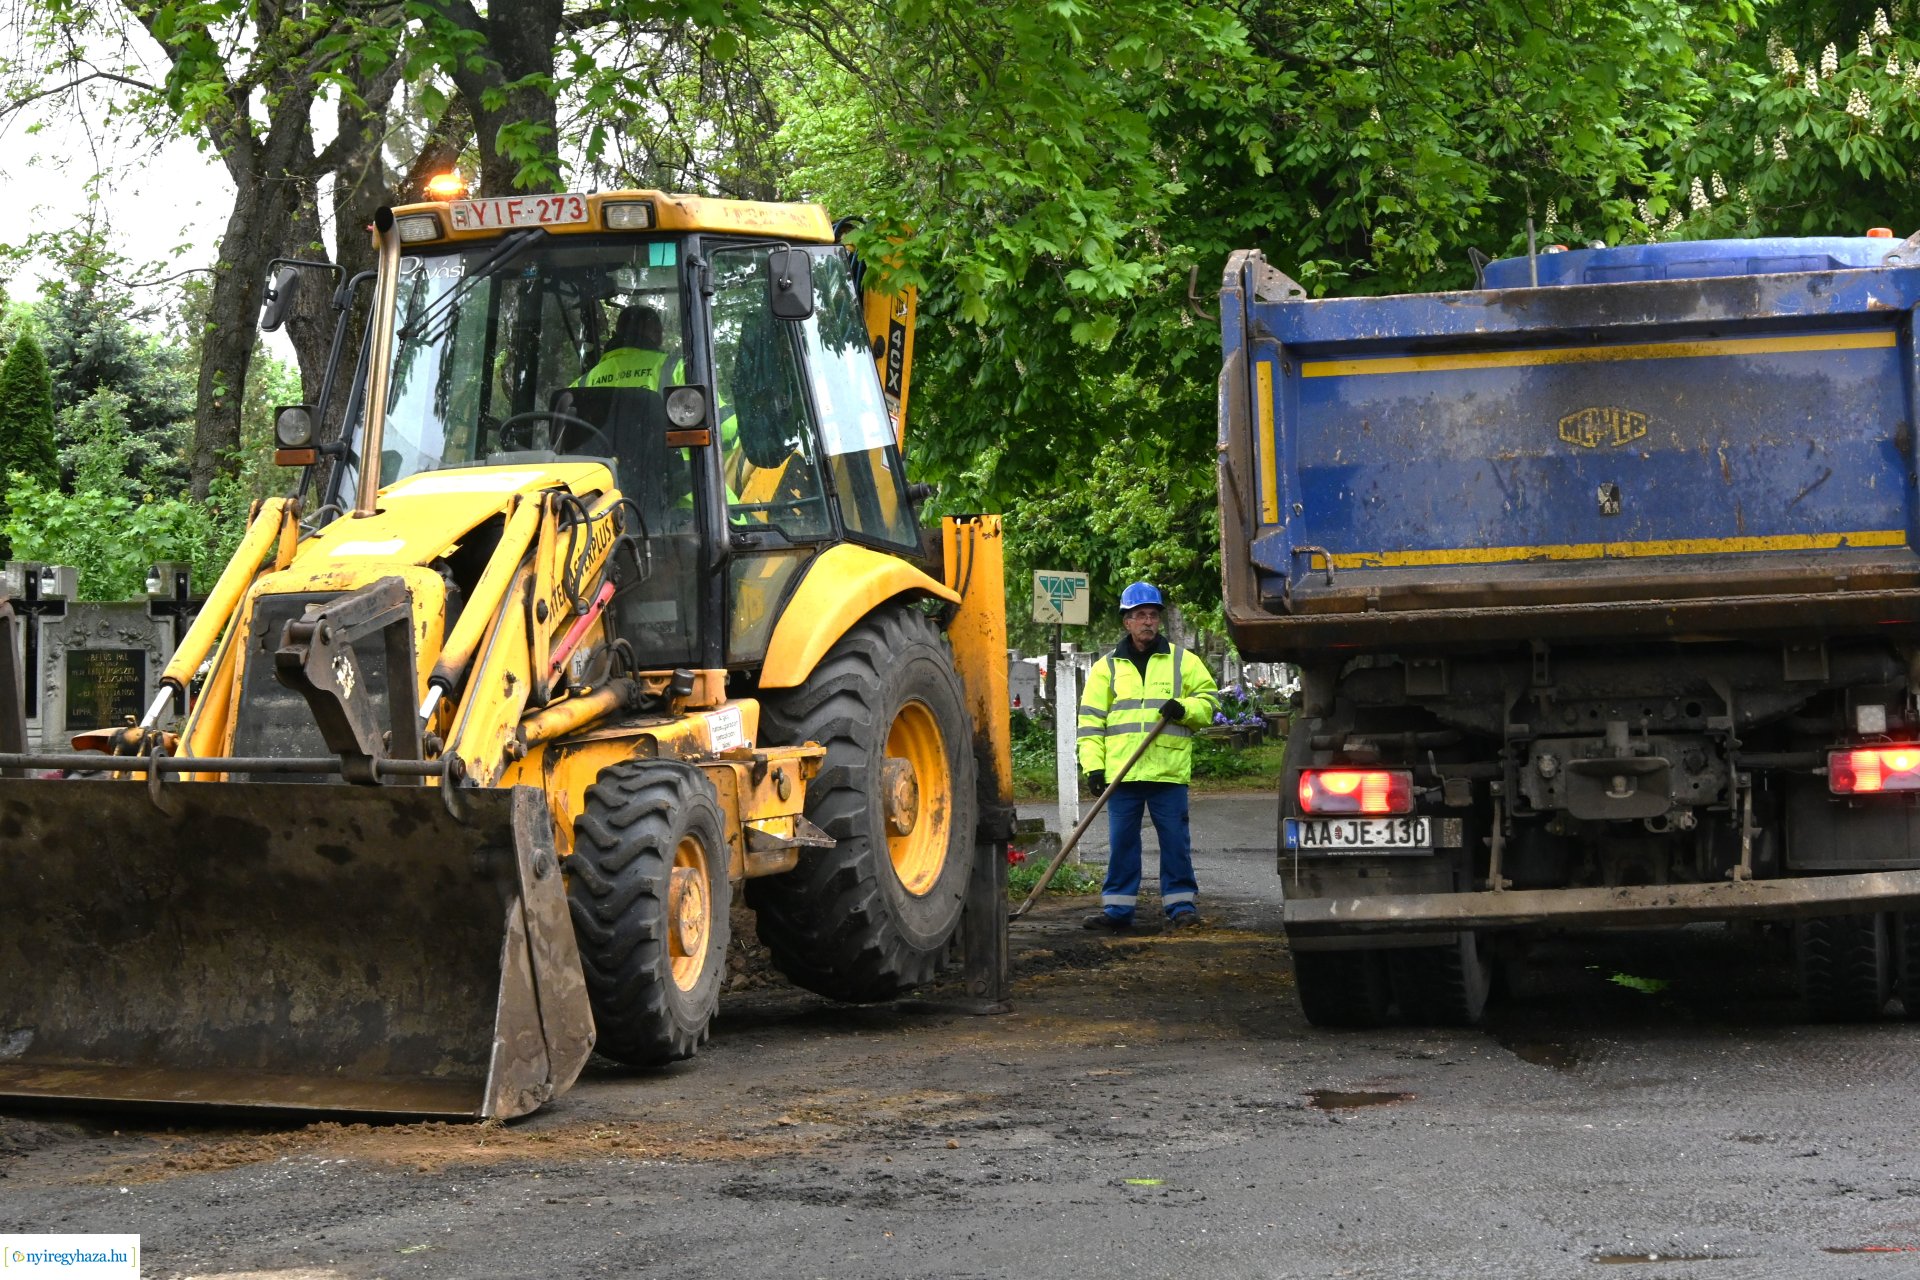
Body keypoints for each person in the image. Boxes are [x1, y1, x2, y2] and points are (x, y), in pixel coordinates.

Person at [1076, 581, 1220, 932]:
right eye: (1140, 615)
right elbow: (1090, 724)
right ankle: (1117, 910)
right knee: (1122, 844)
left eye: (1153, 615)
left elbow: (1210, 703)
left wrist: (1183, 708)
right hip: (1122, 775)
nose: (1148, 622)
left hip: (1167, 773)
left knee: (1175, 843)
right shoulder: (1105, 669)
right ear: (1126, 621)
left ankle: (1181, 906)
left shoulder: (1183, 662)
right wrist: (1094, 768)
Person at [578, 305, 669, 390]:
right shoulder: (674, 370)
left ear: (618, 333)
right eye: (658, 332)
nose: (661, 341)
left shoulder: (582, 384)